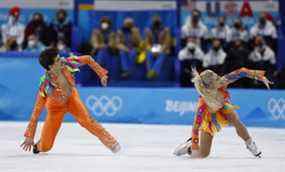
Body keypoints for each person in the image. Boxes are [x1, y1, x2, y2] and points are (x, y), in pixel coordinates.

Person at [20, 48, 121, 154]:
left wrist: (101, 74)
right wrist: (30, 135)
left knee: (88, 121)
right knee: (46, 147)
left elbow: (88, 59)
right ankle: (39, 146)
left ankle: (113, 144)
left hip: (72, 99)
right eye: (58, 60)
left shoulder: (67, 63)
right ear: (51, 66)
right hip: (55, 108)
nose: (62, 59)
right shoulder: (45, 85)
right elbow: (36, 111)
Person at [173, 67, 273, 158]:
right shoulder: (202, 105)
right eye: (216, 79)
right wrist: (194, 145)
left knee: (235, 120)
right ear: (209, 87)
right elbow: (195, 127)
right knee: (203, 154)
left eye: (217, 77)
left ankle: (250, 144)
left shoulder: (222, 81)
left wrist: (260, 77)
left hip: (223, 106)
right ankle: (188, 147)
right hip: (209, 117)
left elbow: (242, 72)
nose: (220, 79)